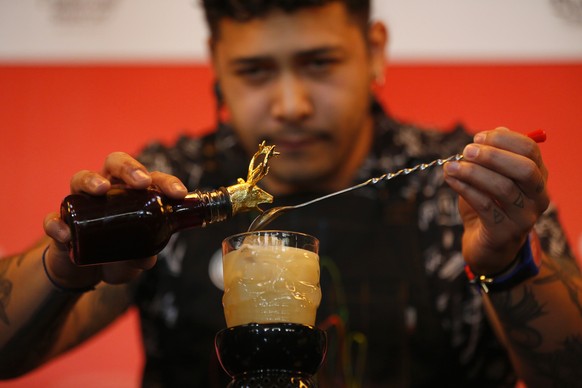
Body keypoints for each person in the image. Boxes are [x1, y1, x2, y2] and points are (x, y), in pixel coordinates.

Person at [0, 1, 580, 387]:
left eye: (319, 63)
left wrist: (507, 264)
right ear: (217, 68)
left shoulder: (458, 188)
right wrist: (69, 265)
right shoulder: (170, 187)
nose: (291, 104)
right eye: (255, 71)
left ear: (374, 50)